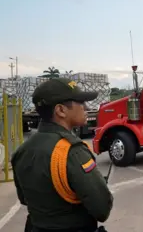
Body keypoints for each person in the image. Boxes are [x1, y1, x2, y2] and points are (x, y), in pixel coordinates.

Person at [11, 78, 114, 232]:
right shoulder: (72, 152)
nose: (86, 107)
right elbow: (102, 209)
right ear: (60, 110)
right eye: (80, 102)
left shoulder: (22, 151)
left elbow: (25, 199)